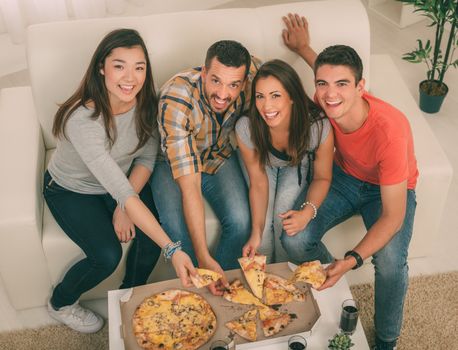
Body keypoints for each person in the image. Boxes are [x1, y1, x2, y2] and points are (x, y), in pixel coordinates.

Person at [281, 14, 418, 350]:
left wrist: (353, 257)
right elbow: (330, 77)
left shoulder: (391, 131)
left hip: (386, 191)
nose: (330, 95)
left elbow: (393, 216)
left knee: (389, 263)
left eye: (343, 85)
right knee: (295, 241)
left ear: (361, 87)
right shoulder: (327, 98)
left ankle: (386, 341)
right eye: (322, 85)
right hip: (341, 178)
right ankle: (336, 282)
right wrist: (302, 48)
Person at [44, 28, 195, 333]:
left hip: (119, 184)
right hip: (71, 189)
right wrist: (173, 249)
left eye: (139, 67)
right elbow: (122, 192)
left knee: (152, 236)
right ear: (102, 68)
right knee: (106, 255)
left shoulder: (147, 104)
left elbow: (145, 157)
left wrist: (124, 206)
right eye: (119, 66)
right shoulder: (83, 121)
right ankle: (60, 302)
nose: (131, 78)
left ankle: (130, 294)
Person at [149, 40, 259, 295]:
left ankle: (220, 285)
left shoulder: (253, 74)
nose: (223, 94)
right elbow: (191, 189)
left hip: (217, 153)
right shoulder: (177, 99)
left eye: (234, 85)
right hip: (169, 163)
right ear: (203, 72)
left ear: (244, 81)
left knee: (241, 222)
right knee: (179, 234)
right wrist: (202, 257)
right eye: (216, 81)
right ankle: (196, 296)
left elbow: (282, 86)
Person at [235, 59, 334, 264]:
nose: (266, 106)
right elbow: (258, 182)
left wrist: (307, 212)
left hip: (296, 165)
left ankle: (284, 285)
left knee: (285, 223)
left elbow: (323, 177)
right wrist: (256, 231)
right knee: (261, 240)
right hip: (262, 166)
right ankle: (266, 286)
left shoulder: (318, 126)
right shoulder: (246, 127)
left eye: (276, 96)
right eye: (260, 97)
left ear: (292, 97)